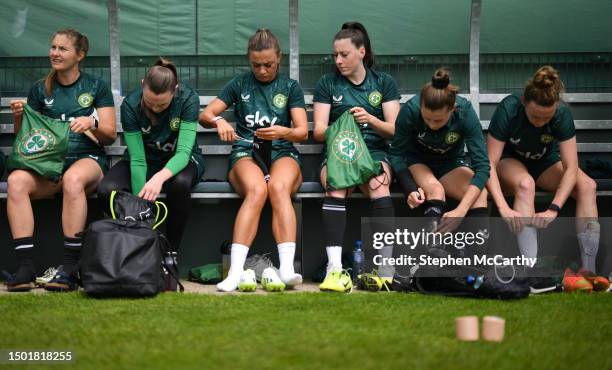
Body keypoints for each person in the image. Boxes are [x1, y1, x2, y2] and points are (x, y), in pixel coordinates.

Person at [7, 28, 116, 292]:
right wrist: (19, 116)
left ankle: (69, 268)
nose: (55, 53)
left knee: (73, 178)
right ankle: (25, 267)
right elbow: (25, 137)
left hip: (86, 160)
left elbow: (110, 135)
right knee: (16, 181)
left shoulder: (96, 86)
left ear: (80, 55)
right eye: (53, 47)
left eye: (63, 49)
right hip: (47, 164)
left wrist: (91, 123)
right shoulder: (39, 89)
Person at [200, 29, 308, 292]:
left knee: (278, 188)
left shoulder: (290, 87)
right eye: (256, 64)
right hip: (246, 152)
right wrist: (219, 121)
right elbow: (206, 114)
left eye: (268, 64)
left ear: (279, 59)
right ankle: (235, 273)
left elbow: (302, 132)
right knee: (258, 189)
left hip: (282, 151)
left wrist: (284, 131)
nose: (261, 70)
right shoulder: (239, 84)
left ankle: (286, 269)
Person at [486, 65, 608, 292]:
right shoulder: (509, 108)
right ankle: (532, 273)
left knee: (587, 185)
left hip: (545, 163)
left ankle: (589, 271)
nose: (540, 122)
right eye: (535, 117)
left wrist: (553, 209)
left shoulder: (561, 114)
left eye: (546, 118)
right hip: (509, 162)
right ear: (524, 102)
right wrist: (502, 206)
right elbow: (489, 163)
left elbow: (571, 167)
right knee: (525, 184)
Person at [313, 22, 400, 292]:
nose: (338, 61)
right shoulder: (327, 83)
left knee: (378, 184)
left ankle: (385, 270)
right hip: (340, 151)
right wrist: (343, 126)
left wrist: (370, 119)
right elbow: (318, 133)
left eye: (344, 55)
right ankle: (335, 270)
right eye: (335, 55)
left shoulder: (383, 82)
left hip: (374, 151)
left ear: (361, 52)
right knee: (336, 185)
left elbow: (393, 130)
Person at [97, 58, 204, 259]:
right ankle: (133, 245)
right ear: (142, 86)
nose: (155, 109)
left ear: (176, 91)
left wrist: (158, 178)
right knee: (106, 190)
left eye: (162, 104)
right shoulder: (130, 104)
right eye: (150, 103)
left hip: (182, 162)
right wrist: (141, 214)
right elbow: (137, 159)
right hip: (143, 161)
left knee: (179, 185)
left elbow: (183, 153)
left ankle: (171, 254)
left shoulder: (188, 99)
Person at [390, 68, 490, 256]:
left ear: (452, 110)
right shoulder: (410, 110)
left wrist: (461, 211)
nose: (432, 125)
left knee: (480, 194)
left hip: (451, 163)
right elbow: (396, 154)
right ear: (420, 106)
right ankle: (431, 255)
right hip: (418, 161)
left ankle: (476, 263)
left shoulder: (465, 112)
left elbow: (483, 167)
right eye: (427, 118)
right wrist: (409, 187)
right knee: (436, 190)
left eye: (438, 120)